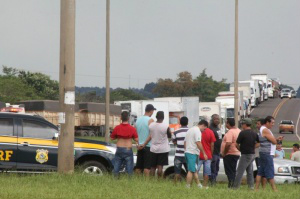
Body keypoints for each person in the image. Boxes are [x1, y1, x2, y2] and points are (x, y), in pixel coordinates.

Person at [255, 116, 283, 192]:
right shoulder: (265, 130)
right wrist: (275, 140)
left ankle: (256, 189)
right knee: (269, 171)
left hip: (264, 152)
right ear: (267, 122)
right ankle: (274, 189)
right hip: (267, 153)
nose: (273, 124)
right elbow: (274, 142)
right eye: (272, 123)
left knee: (260, 172)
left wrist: (275, 139)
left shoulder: (263, 129)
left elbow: (270, 140)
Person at [142, 111, 171, 178]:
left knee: (152, 167)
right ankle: (159, 180)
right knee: (160, 166)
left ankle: (152, 180)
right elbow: (169, 136)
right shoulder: (166, 126)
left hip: (153, 149)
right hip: (163, 149)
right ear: (163, 117)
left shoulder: (151, 126)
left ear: (156, 117)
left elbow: (151, 135)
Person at [232, 118, 259, 189]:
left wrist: (240, 149)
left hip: (245, 154)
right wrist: (253, 147)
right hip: (252, 154)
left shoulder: (242, 133)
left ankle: (235, 187)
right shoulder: (254, 133)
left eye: (242, 124)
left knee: (239, 171)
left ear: (245, 124)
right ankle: (251, 187)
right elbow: (259, 143)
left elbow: (236, 144)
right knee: (249, 171)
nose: (242, 125)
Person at [111, 111, 138, 177]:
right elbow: (136, 139)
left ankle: (115, 179)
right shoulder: (132, 128)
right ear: (128, 118)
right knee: (129, 168)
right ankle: (129, 181)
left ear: (121, 118)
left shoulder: (117, 128)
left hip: (119, 149)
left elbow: (112, 138)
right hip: (128, 149)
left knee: (116, 167)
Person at [184, 120, 208, 188]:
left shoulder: (190, 130)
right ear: (203, 125)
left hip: (188, 152)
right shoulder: (197, 131)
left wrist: (186, 150)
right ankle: (188, 186)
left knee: (193, 169)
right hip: (192, 152)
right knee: (191, 170)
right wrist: (204, 153)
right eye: (204, 128)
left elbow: (185, 142)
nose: (204, 130)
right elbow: (198, 143)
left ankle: (198, 185)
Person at [135, 104, 155, 176]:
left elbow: (135, 134)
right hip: (148, 146)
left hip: (139, 147)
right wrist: (144, 144)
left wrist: (138, 144)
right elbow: (151, 134)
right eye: (153, 111)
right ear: (151, 111)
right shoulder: (151, 120)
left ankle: (137, 182)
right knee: (147, 167)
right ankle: (146, 183)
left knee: (138, 166)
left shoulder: (138, 120)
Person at [221, 118, 241, 188]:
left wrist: (224, 152)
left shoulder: (230, 132)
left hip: (230, 154)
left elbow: (228, 143)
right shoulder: (239, 130)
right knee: (233, 170)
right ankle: (233, 184)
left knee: (229, 171)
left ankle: (231, 185)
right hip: (236, 153)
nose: (226, 124)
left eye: (226, 123)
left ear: (228, 124)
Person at [197, 120, 216, 189]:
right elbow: (212, 145)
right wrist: (211, 154)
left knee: (195, 171)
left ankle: (196, 184)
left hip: (198, 155)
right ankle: (204, 186)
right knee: (207, 172)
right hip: (207, 156)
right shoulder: (211, 132)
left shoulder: (197, 132)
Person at [172, 116, 189, 183]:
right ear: (187, 122)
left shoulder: (176, 132)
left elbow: (174, 141)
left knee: (177, 172)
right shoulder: (190, 131)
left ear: (180, 123)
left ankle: (175, 185)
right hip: (188, 154)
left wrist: (179, 142)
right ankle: (189, 185)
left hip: (178, 155)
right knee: (189, 171)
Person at [209, 114, 222, 186]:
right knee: (213, 168)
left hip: (218, 152)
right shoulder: (210, 128)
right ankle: (212, 182)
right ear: (212, 120)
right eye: (215, 119)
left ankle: (214, 181)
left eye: (218, 119)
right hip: (213, 152)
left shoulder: (218, 128)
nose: (217, 120)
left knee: (217, 168)